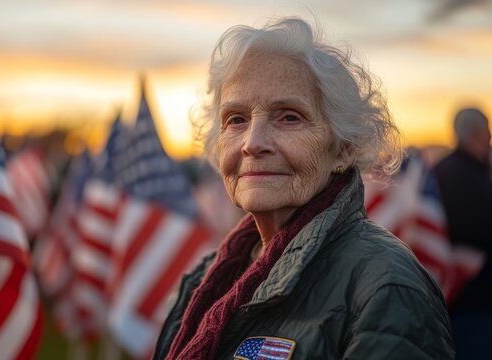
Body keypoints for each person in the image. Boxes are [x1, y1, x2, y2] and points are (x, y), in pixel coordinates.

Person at [153, 17, 454, 360]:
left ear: (342, 149)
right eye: (236, 119)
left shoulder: (386, 286)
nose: (253, 143)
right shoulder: (208, 278)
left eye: (289, 117)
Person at [433, 108, 492, 359]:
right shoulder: (468, 178)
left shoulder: (441, 170)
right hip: (474, 299)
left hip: (451, 298)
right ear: (478, 133)